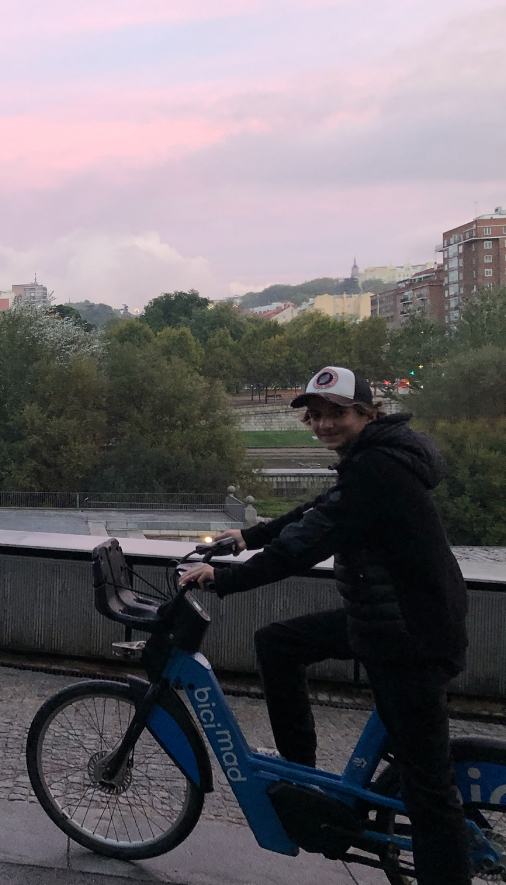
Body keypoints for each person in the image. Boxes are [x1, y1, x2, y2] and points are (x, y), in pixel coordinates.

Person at [182, 366, 470, 885]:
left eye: (336, 413)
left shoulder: (378, 470)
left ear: (368, 414)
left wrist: (223, 580)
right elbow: (320, 511)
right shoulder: (373, 461)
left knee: (429, 792)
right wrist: (250, 535)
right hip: (387, 620)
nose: (323, 425)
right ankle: (307, 780)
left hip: (410, 636)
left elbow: (309, 543)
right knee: (278, 643)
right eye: (315, 416)